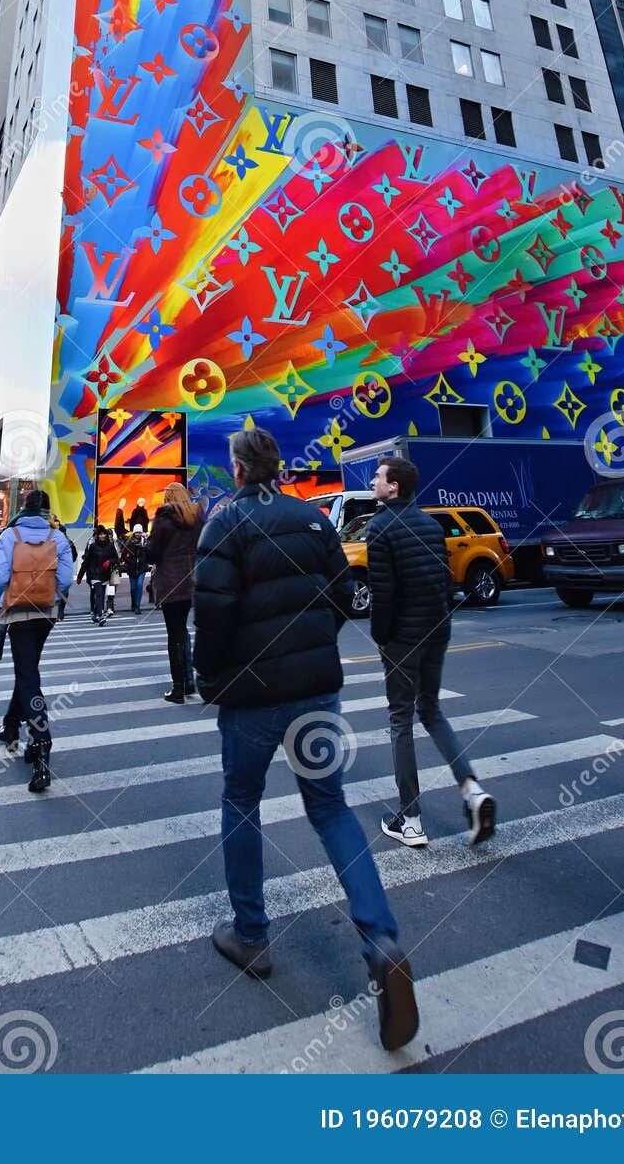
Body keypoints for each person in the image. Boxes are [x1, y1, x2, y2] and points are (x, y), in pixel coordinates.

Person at [192, 426, 418, 1053]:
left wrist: (209, 677)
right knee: (331, 807)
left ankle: (252, 935)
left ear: (239, 468)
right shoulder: (316, 523)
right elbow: (346, 598)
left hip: (251, 699)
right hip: (317, 691)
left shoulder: (225, 524)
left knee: (241, 800)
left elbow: (211, 614)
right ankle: (381, 940)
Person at [367, 456, 496, 851]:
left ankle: (411, 820)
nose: (373, 482)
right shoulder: (429, 523)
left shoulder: (380, 527)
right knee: (432, 711)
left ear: (395, 488)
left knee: (400, 720)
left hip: (403, 640)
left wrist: (381, 638)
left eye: (378, 477)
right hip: (437, 630)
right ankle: (472, 791)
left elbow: (382, 596)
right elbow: (443, 580)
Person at [0, 487, 74, 793]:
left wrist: (7, 594)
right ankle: (11, 726)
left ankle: (41, 743)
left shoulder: (10, 535)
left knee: (27, 675)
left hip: (18, 611)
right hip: (47, 612)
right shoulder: (59, 537)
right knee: (28, 671)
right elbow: (65, 579)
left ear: (25, 507)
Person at [148, 483, 201, 699]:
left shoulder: (163, 520)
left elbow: (152, 554)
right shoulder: (195, 519)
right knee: (182, 631)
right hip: (190, 580)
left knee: (174, 634)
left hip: (170, 582)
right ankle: (189, 681)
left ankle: (178, 687)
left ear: (168, 497)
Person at [77, 524, 118, 623]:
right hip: (94, 573)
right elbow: (86, 561)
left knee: (101, 596)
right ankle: (100, 616)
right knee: (99, 594)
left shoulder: (110, 546)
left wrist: (109, 562)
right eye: (100, 534)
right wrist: (80, 576)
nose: (103, 536)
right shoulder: (93, 546)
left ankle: (95, 614)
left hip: (105, 574)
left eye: (104, 534)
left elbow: (116, 558)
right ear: (97, 535)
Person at [120, 526, 150, 614]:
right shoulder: (129, 542)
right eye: (137, 532)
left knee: (139, 585)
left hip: (142, 568)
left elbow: (148, 553)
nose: (138, 534)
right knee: (133, 588)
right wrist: (128, 560)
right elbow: (124, 555)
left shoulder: (145, 542)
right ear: (134, 533)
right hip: (132, 568)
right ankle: (133, 604)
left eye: (140, 532)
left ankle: (137, 606)